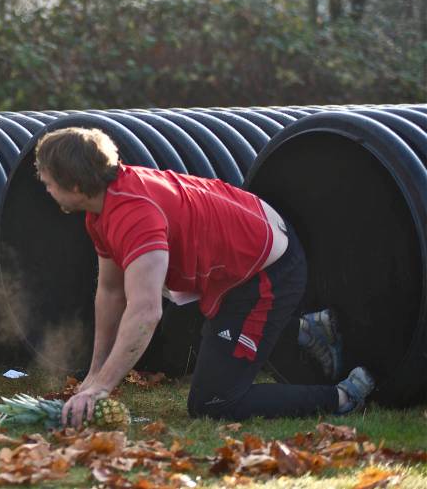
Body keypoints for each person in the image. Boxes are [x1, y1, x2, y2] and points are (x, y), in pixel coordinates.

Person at [32, 127, 375, 425]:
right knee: (216, 338)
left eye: (47, 183)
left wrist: (103, 388)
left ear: (75, 185)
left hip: (265, 272)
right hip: (239, 257)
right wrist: (94, 374)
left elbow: (145, 313)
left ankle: (343, 397)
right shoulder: (101, 207)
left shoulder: (134, 216)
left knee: (214, 402)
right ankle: (306, 329)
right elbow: (110, 292)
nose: (44, 189)